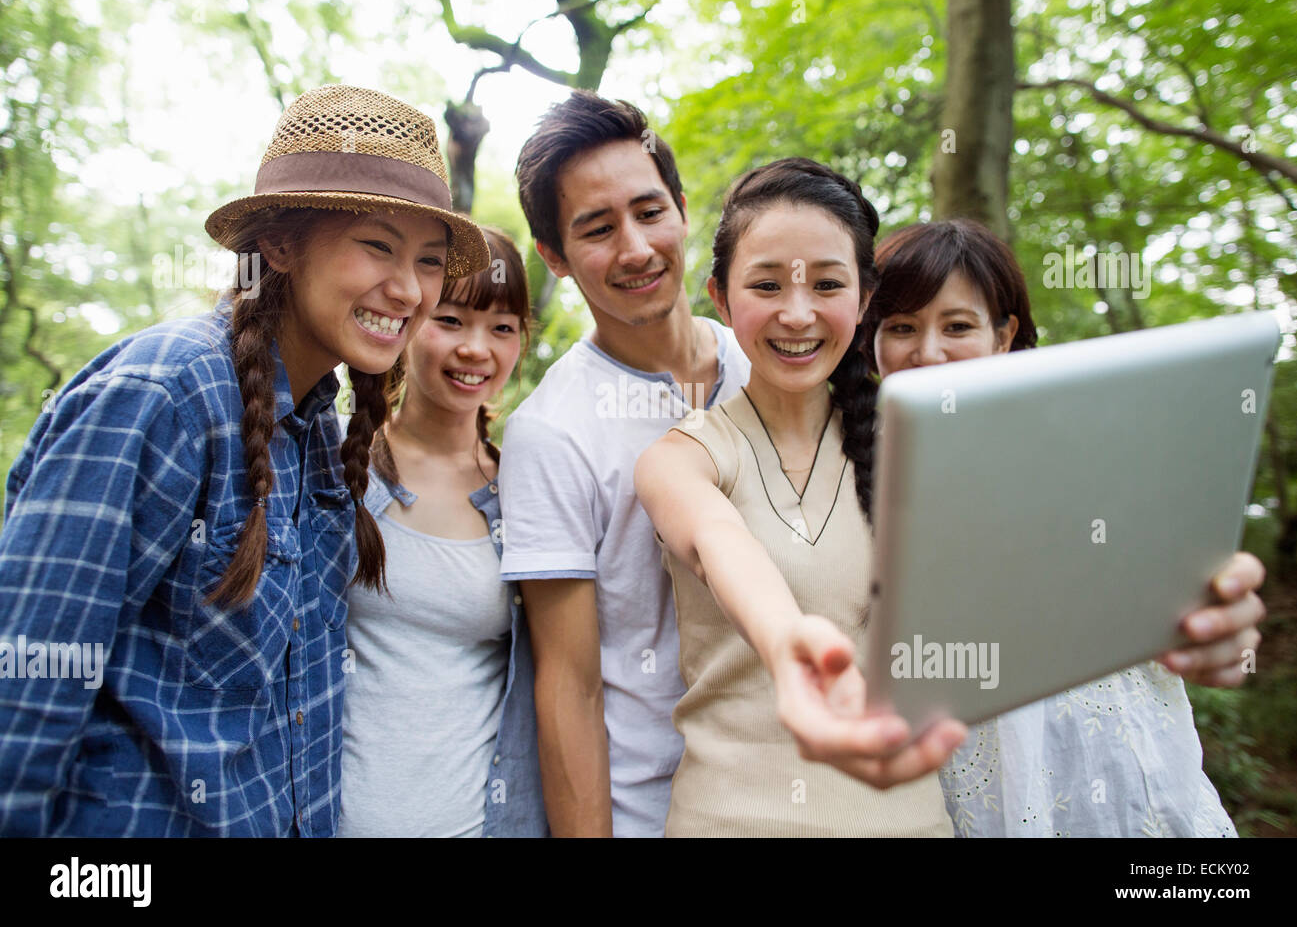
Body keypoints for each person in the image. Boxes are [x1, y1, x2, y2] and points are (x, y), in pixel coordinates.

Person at [0, 84, 489, 836]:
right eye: (376, 245)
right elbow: (26, 686)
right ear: (281, 246)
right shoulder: (164, 395)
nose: (409, 290)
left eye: (428, 261)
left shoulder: (319, 427)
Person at [864, 218, 1263, 836]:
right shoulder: (857, 468)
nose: (929, 352)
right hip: (967, 789)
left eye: (958, 326)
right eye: (901, 328)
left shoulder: (1089, 435)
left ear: (1004, 335)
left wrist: (1223, 627)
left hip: (1124, 767)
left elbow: (1192, 604)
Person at [636, 158, 964, 835]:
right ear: (721, 301)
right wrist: (789, 649)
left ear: (865, 298)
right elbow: (720, 543)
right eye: (765, 284)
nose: (796, 313)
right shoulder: (682, 457)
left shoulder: (922, 450)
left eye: (826, 284)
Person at [500, 91, 751, 836]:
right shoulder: (550, 432)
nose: (636, 248)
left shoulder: (766, 362)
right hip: (657, 813)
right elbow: (569, 689)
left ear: (680, 207)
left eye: (649, 212)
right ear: (555, 257)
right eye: (597, 229)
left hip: (799, 789)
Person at [339, 226, 547, 837]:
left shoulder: (526, 493)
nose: (476, 349)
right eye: (451, 320)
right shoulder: (336, 465)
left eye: (502, 328)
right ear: (411, 317)